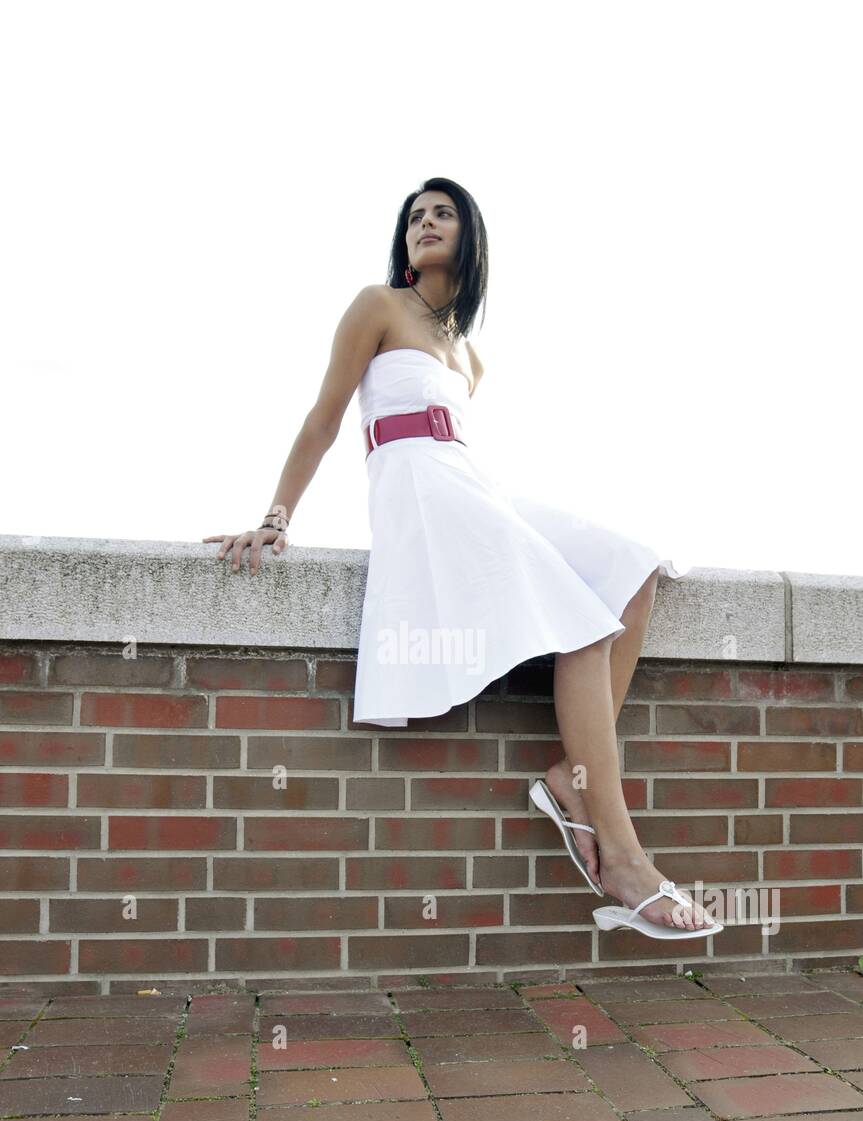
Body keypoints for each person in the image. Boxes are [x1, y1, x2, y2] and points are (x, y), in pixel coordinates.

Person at [204, 176, 721, 937]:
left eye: (442, 213)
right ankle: (622, 858)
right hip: (422, 496)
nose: (424, 223)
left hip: (475, 485)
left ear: (469, 235)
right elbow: (322, 418)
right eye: (414, 216)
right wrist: (276, 516)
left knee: (632, 566)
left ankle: (567, 779)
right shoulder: (376, 306)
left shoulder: (470, 358)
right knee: (580, 624)